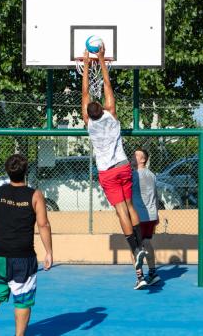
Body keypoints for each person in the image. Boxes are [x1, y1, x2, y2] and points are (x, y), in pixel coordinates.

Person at [81, 45, 147, 274]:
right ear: (103, 108)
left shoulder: (88, 123)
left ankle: (135, 249)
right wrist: (100, 60)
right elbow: (107, 86)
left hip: (107, 172)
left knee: (121, 211)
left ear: (88, 113)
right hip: (122, 166)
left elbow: (85, 92)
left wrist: (86, 63)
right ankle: (141, 246)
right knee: (131, 206)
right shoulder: (111, 114)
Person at [0, 154, 53, 336]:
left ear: (7, 172)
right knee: (23, 300)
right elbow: (43, 225)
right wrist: (49, 252)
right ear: (26, 172)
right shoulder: (35, 195)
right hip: (23, 258)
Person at [131, 147, 162, 289]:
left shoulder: (133, 175)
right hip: (151, 216)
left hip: (139, 217)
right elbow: (156, 196)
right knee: (147, 244)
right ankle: (153, 273)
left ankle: (140, 278)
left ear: (143, 159)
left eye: (136, 156)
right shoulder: (152, 175)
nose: (133, 157)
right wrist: (156, 215)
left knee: (135, 248)